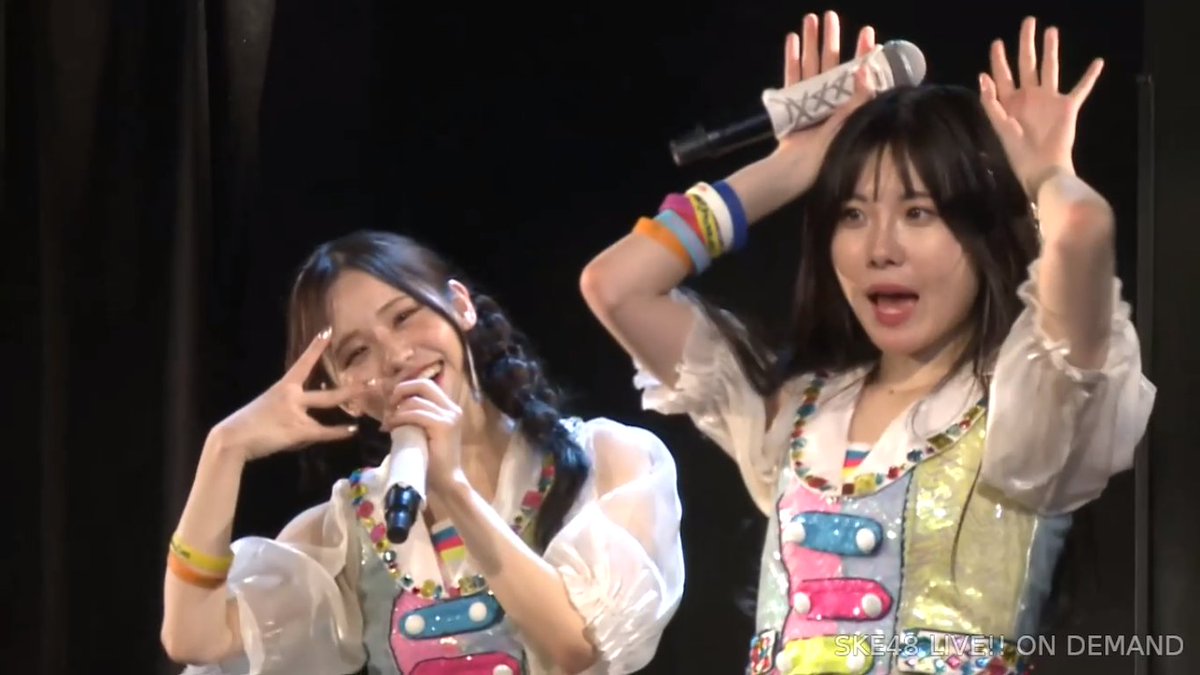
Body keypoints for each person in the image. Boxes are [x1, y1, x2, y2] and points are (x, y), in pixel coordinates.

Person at [580, 11, 1153, 675]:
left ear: (982, 230)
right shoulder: (795, 416)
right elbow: (615, 286)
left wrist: (1043, 174)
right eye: (853, 213)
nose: (880, 248)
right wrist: (790, 166)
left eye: (918, 213)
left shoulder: (1031, 407)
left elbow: (1081, 227)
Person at [160, 230, 685, 675]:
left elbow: (578, 647)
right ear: (344, 392)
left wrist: (451, 486)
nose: (396, 356)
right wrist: (224, 448)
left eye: (405, 316)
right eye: (357, 352)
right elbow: (194, 638)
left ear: (460, 305)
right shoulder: (349, 528)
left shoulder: (607, 459)